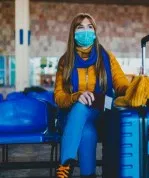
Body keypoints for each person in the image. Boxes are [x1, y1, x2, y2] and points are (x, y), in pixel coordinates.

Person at [54, 13, 129, 178]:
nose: (86, 31)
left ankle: (64, 166)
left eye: (90, 27)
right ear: (73, 33)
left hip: (105, 108)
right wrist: (76, 96)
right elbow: (59, 97)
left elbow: (121, 83)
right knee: (87, 131)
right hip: (75, 115)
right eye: (80, 27)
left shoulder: (107, 58)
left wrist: (133, 89)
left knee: (85, 104)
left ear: (95, 32)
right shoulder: (65, 62)